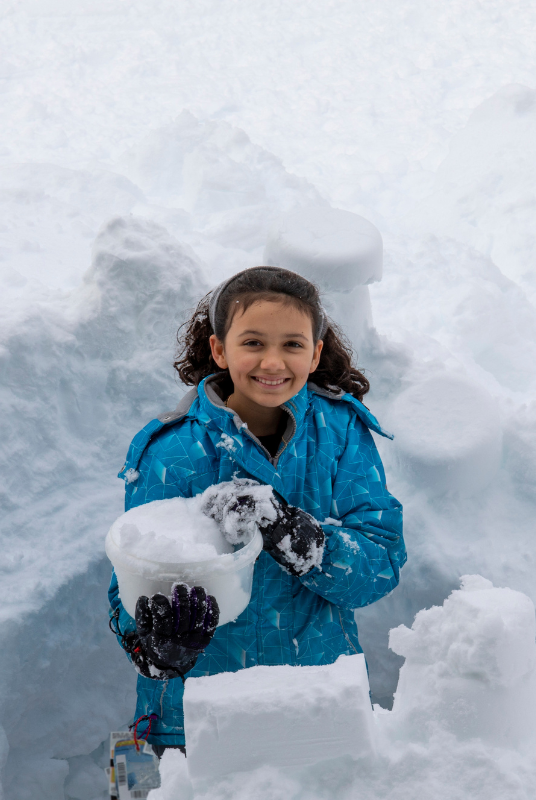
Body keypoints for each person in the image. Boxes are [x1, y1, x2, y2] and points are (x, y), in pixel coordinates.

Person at [108, 265, 407, 755]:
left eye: (292, 344)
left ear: (315, 353)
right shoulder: (171, 451)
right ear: (219, 349)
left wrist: (302, 540)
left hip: (318, 703)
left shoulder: (339, 433)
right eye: (252, 342)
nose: (273, 361)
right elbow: (129, 576)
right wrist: (154, 649)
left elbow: (381, 565)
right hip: (196, 718)